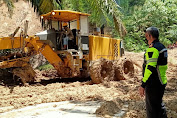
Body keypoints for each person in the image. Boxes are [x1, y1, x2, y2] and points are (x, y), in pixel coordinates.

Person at [139, 27, 168, 118]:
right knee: (158, 106)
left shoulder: (153, 49)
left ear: (150, 36)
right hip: (161, 81)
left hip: (153, 83)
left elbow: (150, 68)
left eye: (146, 36)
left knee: (152, 111)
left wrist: (143, 84)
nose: (146, 38)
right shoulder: (162, 47)